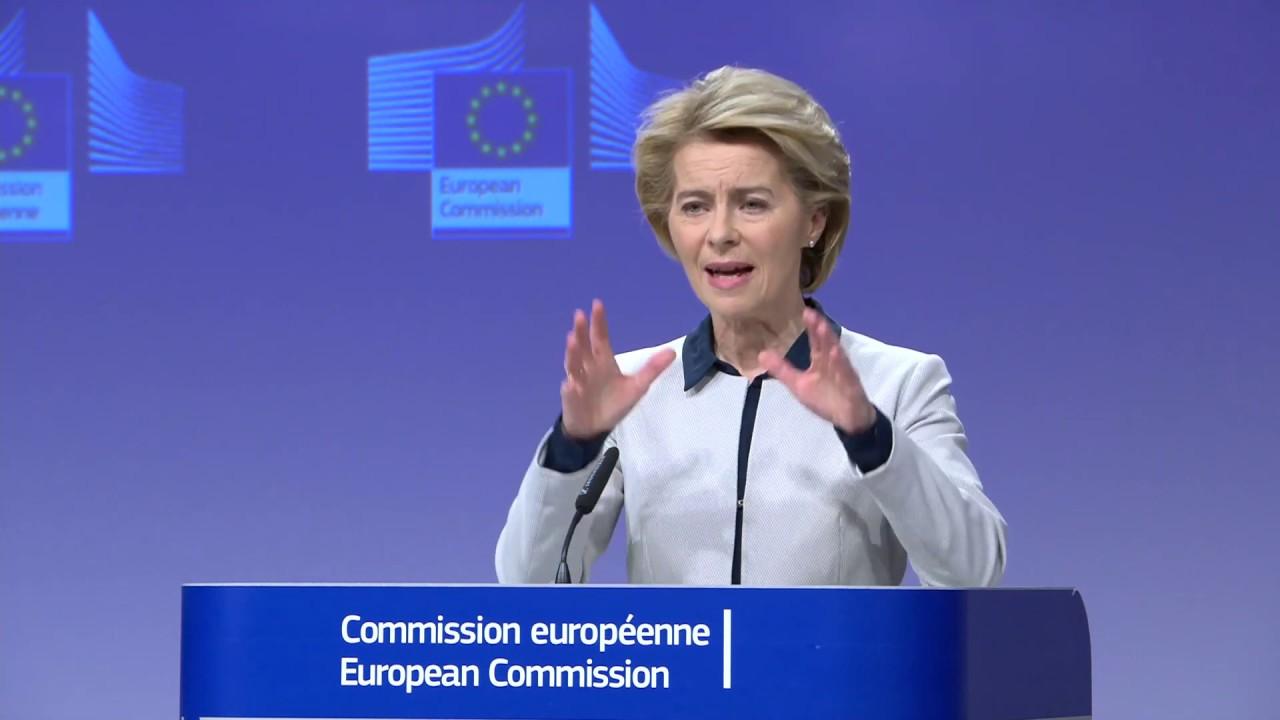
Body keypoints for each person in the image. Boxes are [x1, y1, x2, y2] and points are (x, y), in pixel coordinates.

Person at [496, 66, 1006, 587]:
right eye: (695, 206)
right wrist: (573, 447)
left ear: (814, 221)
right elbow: (524, 587)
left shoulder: (899, 382)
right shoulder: (629, 391)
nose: (719, 233)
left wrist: (869, 436)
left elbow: (975, 575)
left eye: (752, 204)